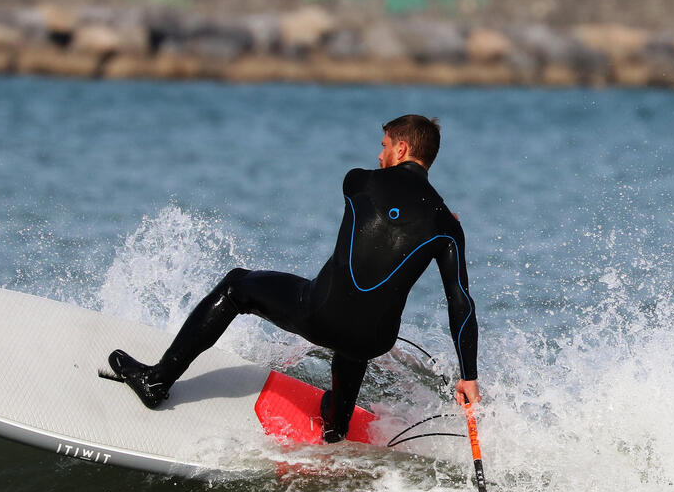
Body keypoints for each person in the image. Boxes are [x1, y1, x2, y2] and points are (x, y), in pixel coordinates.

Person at [108, 114, 479, 441]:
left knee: (238, 285)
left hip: (321, 314)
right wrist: (468, 376)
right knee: (358, 334)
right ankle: (335, 426)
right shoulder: (447, 225)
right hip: (375, 340)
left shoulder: (359, 182)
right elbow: (459, 301)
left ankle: (156, 382)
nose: (379, 156)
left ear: (401, 148)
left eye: (383, 147)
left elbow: (376, 199)